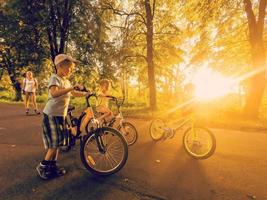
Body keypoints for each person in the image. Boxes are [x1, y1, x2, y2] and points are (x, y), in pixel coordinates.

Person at [36, 54, 89, 180]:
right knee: (54, 144)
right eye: (69, 68)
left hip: (61, 116)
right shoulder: (54, 79)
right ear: (60, 66)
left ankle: (52, 166)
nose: (71, 70)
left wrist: (86, 94)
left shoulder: (66, 81)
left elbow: (73, 93)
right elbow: (54, 93)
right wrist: (71, 88)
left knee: (59, 142)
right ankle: (42, 166)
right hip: (51, 115)